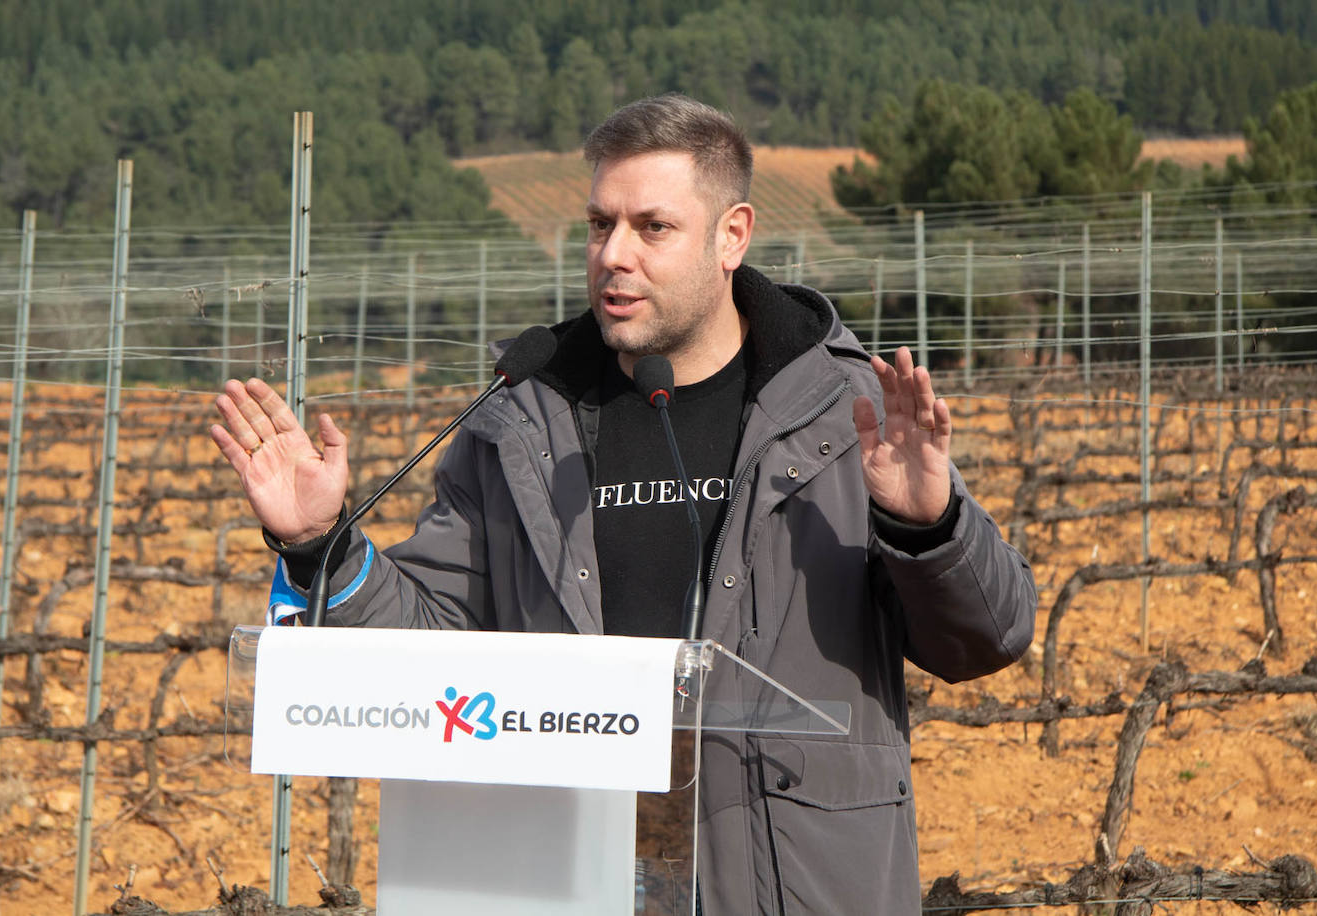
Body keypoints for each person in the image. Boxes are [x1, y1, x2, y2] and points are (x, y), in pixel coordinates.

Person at [211, 94, 1036, 915]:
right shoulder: (520, 419)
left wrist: (926, 527)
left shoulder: (844, 411)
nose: (615, 254)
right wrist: (323, 544)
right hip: (566, 880)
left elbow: (987, 639)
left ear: (732, 236)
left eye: (653, 227)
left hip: (799, 888)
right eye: (600, 224)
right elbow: (434, 651)